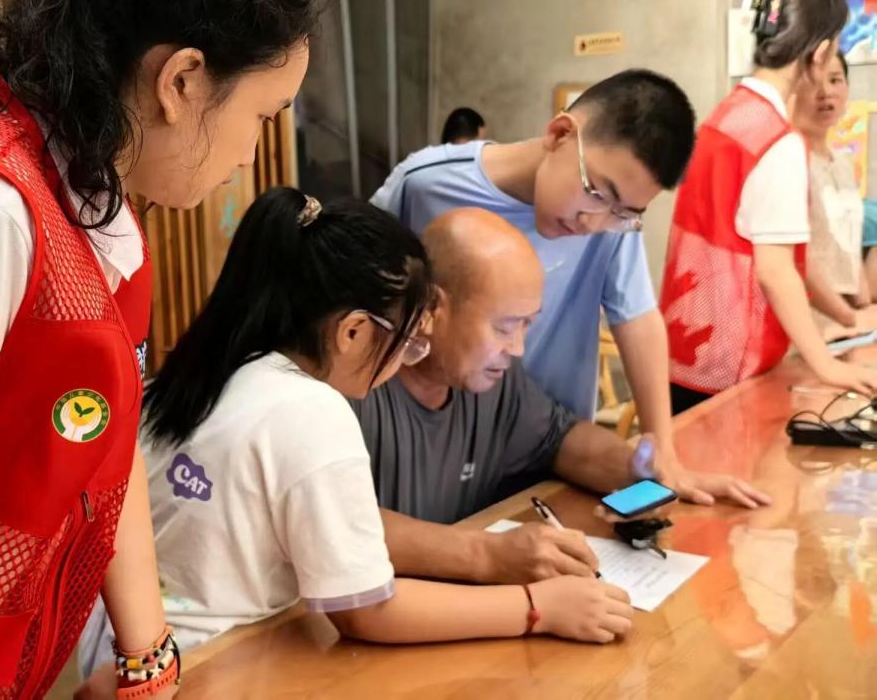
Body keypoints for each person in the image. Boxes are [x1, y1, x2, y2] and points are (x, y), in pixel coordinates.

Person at [0, 0, 316, 698]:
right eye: (263, 113)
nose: (248, 155)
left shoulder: (94, 193)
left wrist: (148, 657)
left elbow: (103, 428)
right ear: (182, 81)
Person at [80, 188, 634, 681]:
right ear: (353, 331)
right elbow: (366, 611)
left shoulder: (206, 369)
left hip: (125, 651)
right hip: (209, 665)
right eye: (407, 343)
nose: (404, 361)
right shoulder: (312, 410)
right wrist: (538, 607)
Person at [371, 69, 745, 504]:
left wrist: (663, 455)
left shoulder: (612, 226)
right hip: (432, 459)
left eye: (624, 212)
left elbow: (637, 318)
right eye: (597, 192)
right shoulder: (425, 184)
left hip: (554, 447)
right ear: (560, 134)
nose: (595, 222)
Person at [350, 208, 771, 585]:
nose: (517, 348)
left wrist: (640, 473)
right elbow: (342, 525)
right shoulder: (354, 387)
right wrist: (487, 555)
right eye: (503, 327)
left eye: (527, 325)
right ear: (432, 308)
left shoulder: (491, 382)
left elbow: (560, 439)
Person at [661, 0, 877, 415]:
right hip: (732, 361)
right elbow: (776, 270)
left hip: (686, 347)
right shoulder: (777, 139)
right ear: (821, 52)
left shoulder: (725, 117)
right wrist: (826, 365)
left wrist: (846, 317)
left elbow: (783, 251)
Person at [792, 50, 871, 329]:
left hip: (848, 321)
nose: (825, 92)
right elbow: (791, 258)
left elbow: (847, 244)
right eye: (813, 82)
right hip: (805, 321)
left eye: (835, 80)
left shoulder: (843, 164)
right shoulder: (788, 160)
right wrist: (847, 316)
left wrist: (863, 303)